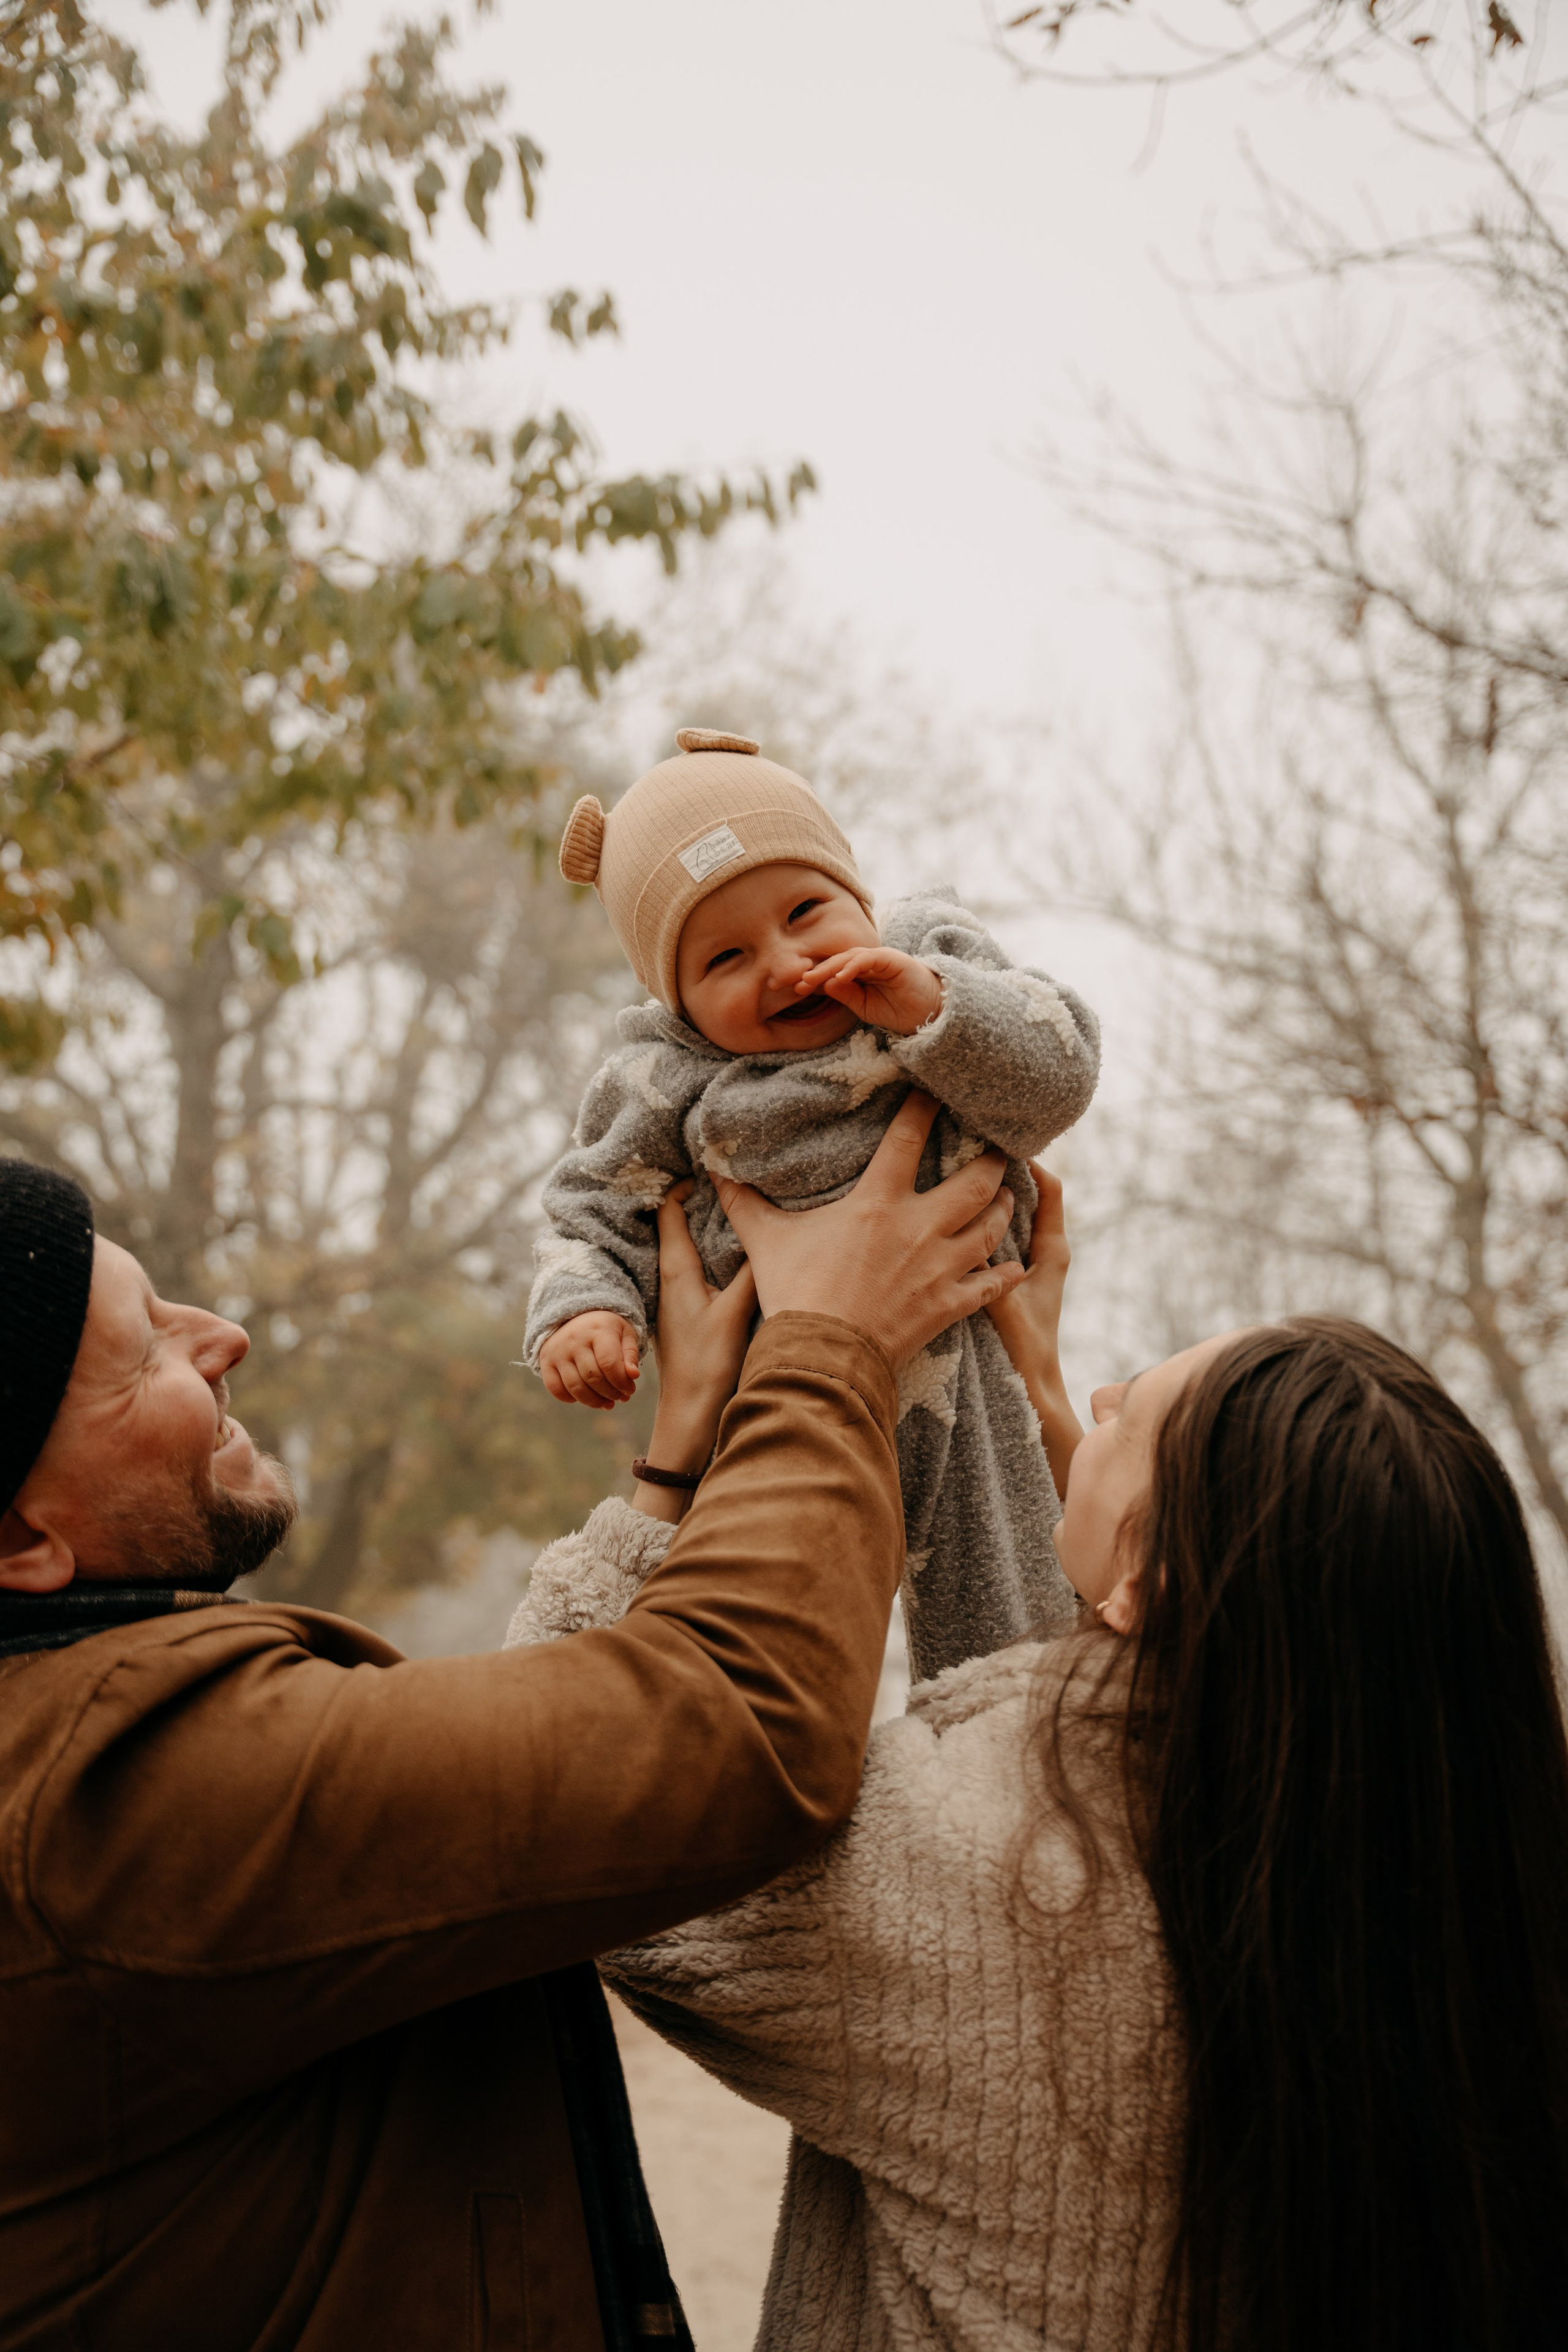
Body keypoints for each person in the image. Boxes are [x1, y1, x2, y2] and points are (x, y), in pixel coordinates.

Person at [0, 1104, 1027, 2352]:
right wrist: (834, 1345)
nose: (225, 1337)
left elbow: (534, 1781)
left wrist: (677, 1465)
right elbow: (729, 1721)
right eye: (145, 1350)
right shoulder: (103, 1790)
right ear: (22, 1542)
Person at [509, 1167, 1568, 2352]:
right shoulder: (1471, 1871)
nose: (1099, 1394)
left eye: (1130, 1416)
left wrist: (687, 1447)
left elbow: (577, 1807)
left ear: (1151, 1585)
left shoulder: (996, 1882)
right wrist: (1052, 1407)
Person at [525, 725, 1100, 1681]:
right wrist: (583, 1310)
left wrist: (929, 1007)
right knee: (763, 1634)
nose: (785, 962)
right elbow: (588, 1209)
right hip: (775, 1393)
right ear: (678, 1005)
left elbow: (1061, 1074)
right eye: (724, 959)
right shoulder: (664, 1079)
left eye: (806, 909)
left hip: (967, 1366)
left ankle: (1001, 1737)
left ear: (860, 898)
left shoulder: (934, 959)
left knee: (1006, 1624)